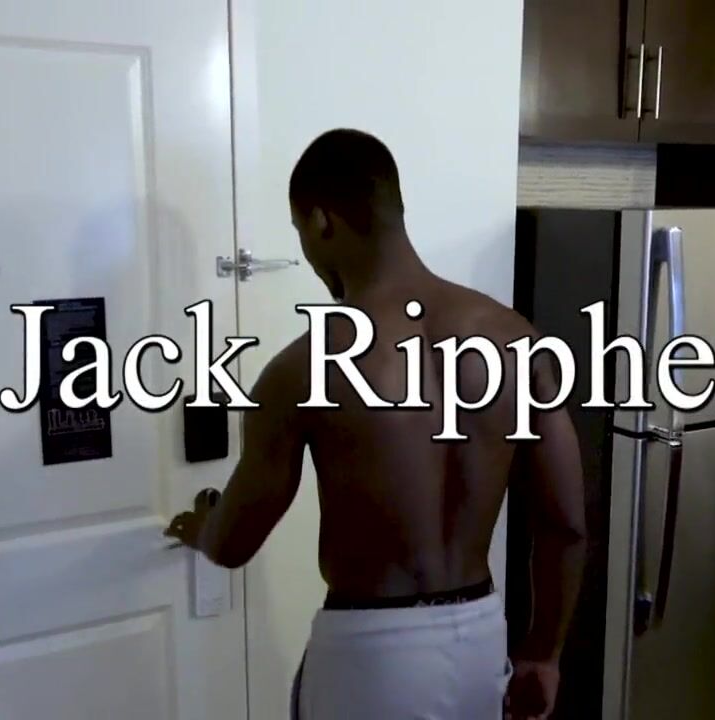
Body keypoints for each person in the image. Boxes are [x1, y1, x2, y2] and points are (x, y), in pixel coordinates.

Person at [165, 128, 587, 719]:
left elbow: (233, 544)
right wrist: (543, 654)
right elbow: (565, 525)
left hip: (369, 658)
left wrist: (202, 528)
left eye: (299, 232)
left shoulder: (301, 370)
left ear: (320, 222)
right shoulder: (518, 342)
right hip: (479, 641)